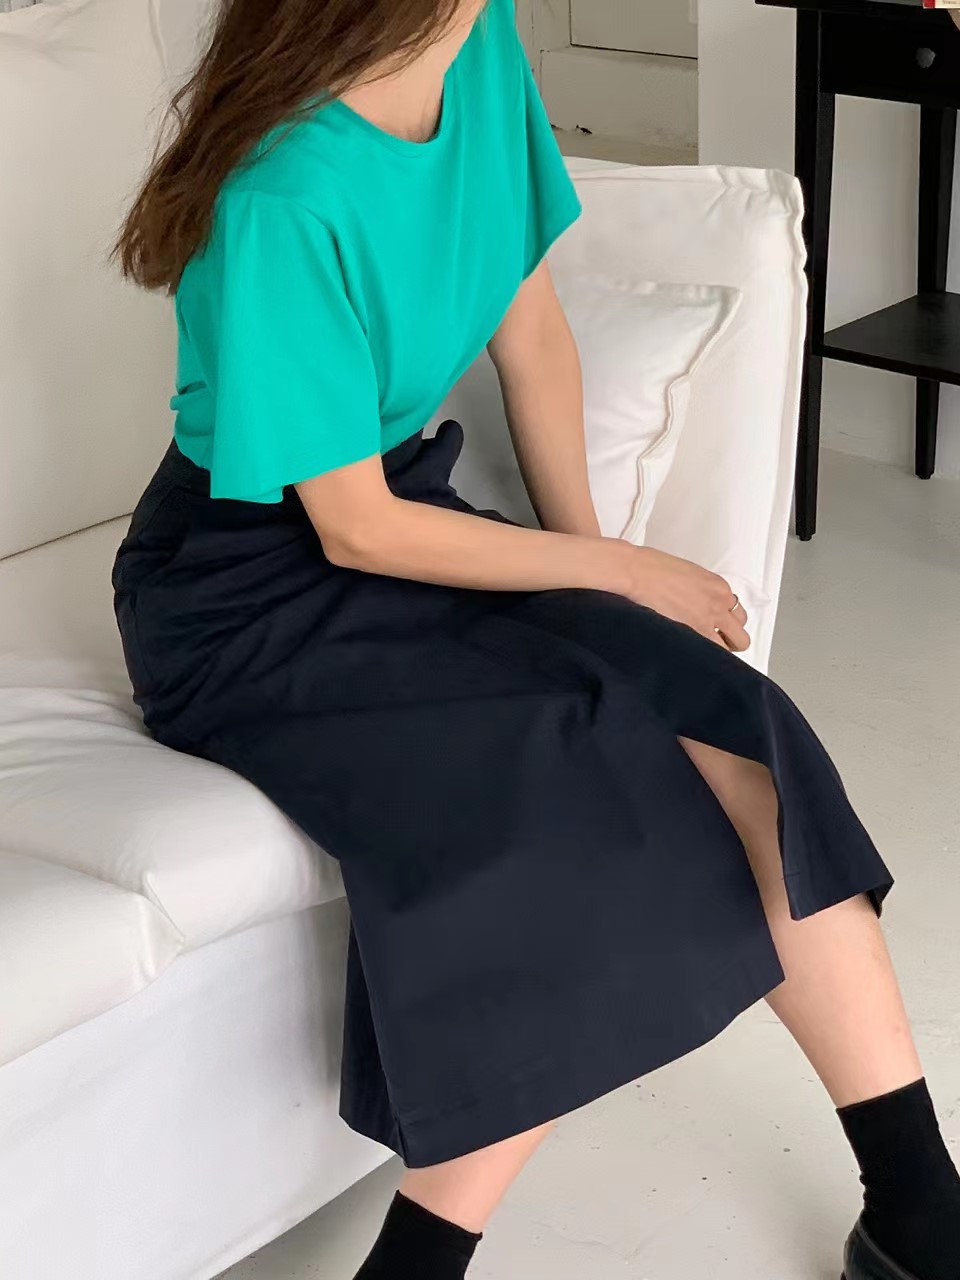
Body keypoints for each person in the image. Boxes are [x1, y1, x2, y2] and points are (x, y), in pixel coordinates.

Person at [110, 1, 959, 1277]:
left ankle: (919, 1209)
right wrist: (620, 568)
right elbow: (354, 530)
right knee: (570, 797)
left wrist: (605, 598)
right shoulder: (283, 188)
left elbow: (538, 338)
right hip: (242, 588)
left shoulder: (479, 43)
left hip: (405, 514)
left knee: (744, 732)